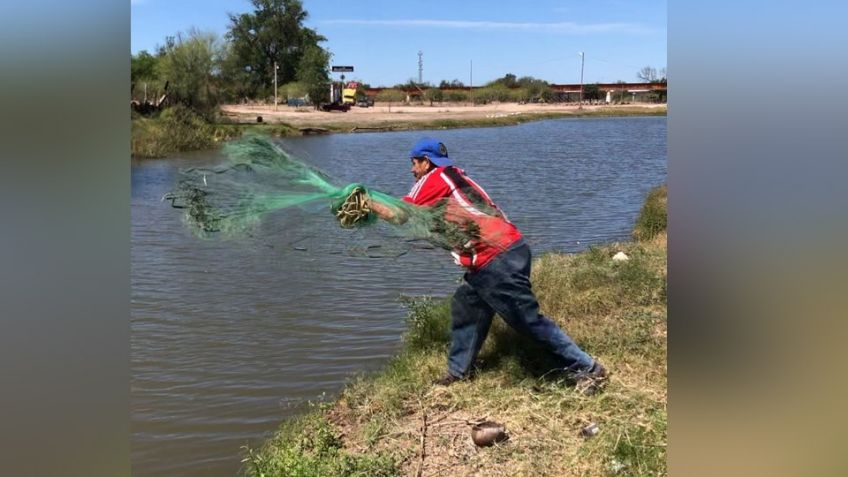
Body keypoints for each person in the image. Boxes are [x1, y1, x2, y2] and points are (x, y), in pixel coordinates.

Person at [368, 137, 608, 394]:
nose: (412, 170)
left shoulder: (434, 178)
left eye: (414, 164)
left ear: (426, 162)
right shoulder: (455, 176)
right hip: (503, 252)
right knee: (468, 306)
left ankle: (587, 368)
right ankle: (458, 372)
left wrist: (367, 202)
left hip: (497, 257)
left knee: (527, 321)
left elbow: (400, 214)